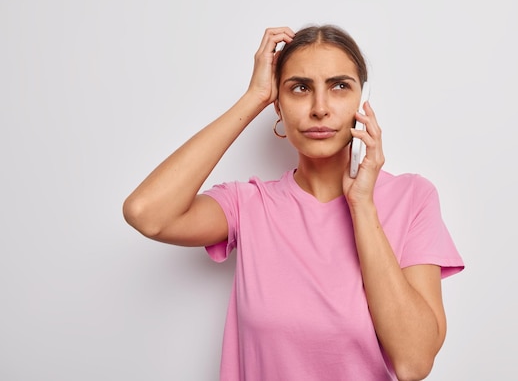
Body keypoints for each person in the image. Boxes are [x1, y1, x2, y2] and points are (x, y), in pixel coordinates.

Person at [123, 25, 464, 381]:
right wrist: (253, 97)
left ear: (363, 101)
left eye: (339, 87)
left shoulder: (413, 198)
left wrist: (362, 205)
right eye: (299, 88)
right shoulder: (249, 204)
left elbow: (414, 363)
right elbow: (146, 213)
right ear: (278, 104)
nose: (320, 108)